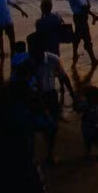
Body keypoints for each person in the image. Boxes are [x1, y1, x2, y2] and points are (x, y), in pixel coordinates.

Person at [26, 32, 75, 165]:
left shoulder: (53, 59)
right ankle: (31, 156)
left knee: (53, 127)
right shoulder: (26, 62)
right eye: (29, 47)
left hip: (50, 95)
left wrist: (73, 95)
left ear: (42, 47)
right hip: (33, 97)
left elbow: (64, 77)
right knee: (31, 128)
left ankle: (50, 154)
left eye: (33, 47)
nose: (30, 50)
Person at [74, 85, 98, 160]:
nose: (97, 97)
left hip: (96, 125)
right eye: (96, 96)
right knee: (87, 140)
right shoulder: (85, 104)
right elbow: (77, 109)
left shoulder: (97, 103)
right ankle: (88, 153)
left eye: (97, 95)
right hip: (86, 125)